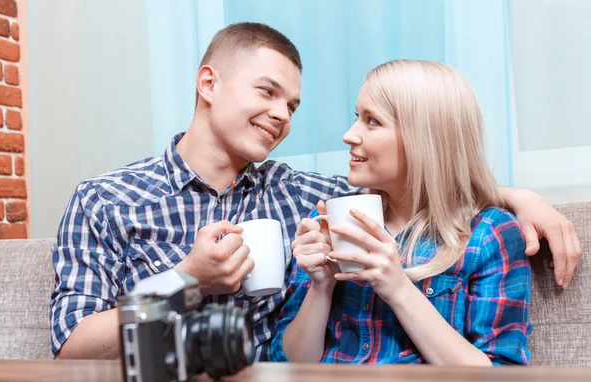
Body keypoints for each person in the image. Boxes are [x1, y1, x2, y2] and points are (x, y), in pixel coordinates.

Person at [50, 23, 581, 361]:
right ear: (208, 84)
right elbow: (71, 348)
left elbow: (421, 178)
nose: (282, 115)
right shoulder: (106, 200)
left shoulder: (298, 192)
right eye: (267, 92)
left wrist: (513, 195)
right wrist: (188, 279)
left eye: (293, 106)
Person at [270, 60, 533, 365]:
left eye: (372, 121)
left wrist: (397, 287)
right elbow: (289, 366)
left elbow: (501, 379)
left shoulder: (489, 235)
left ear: (425, 139)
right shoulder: (331, 224)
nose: (349, 135)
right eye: (358, 117)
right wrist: (321, 285)